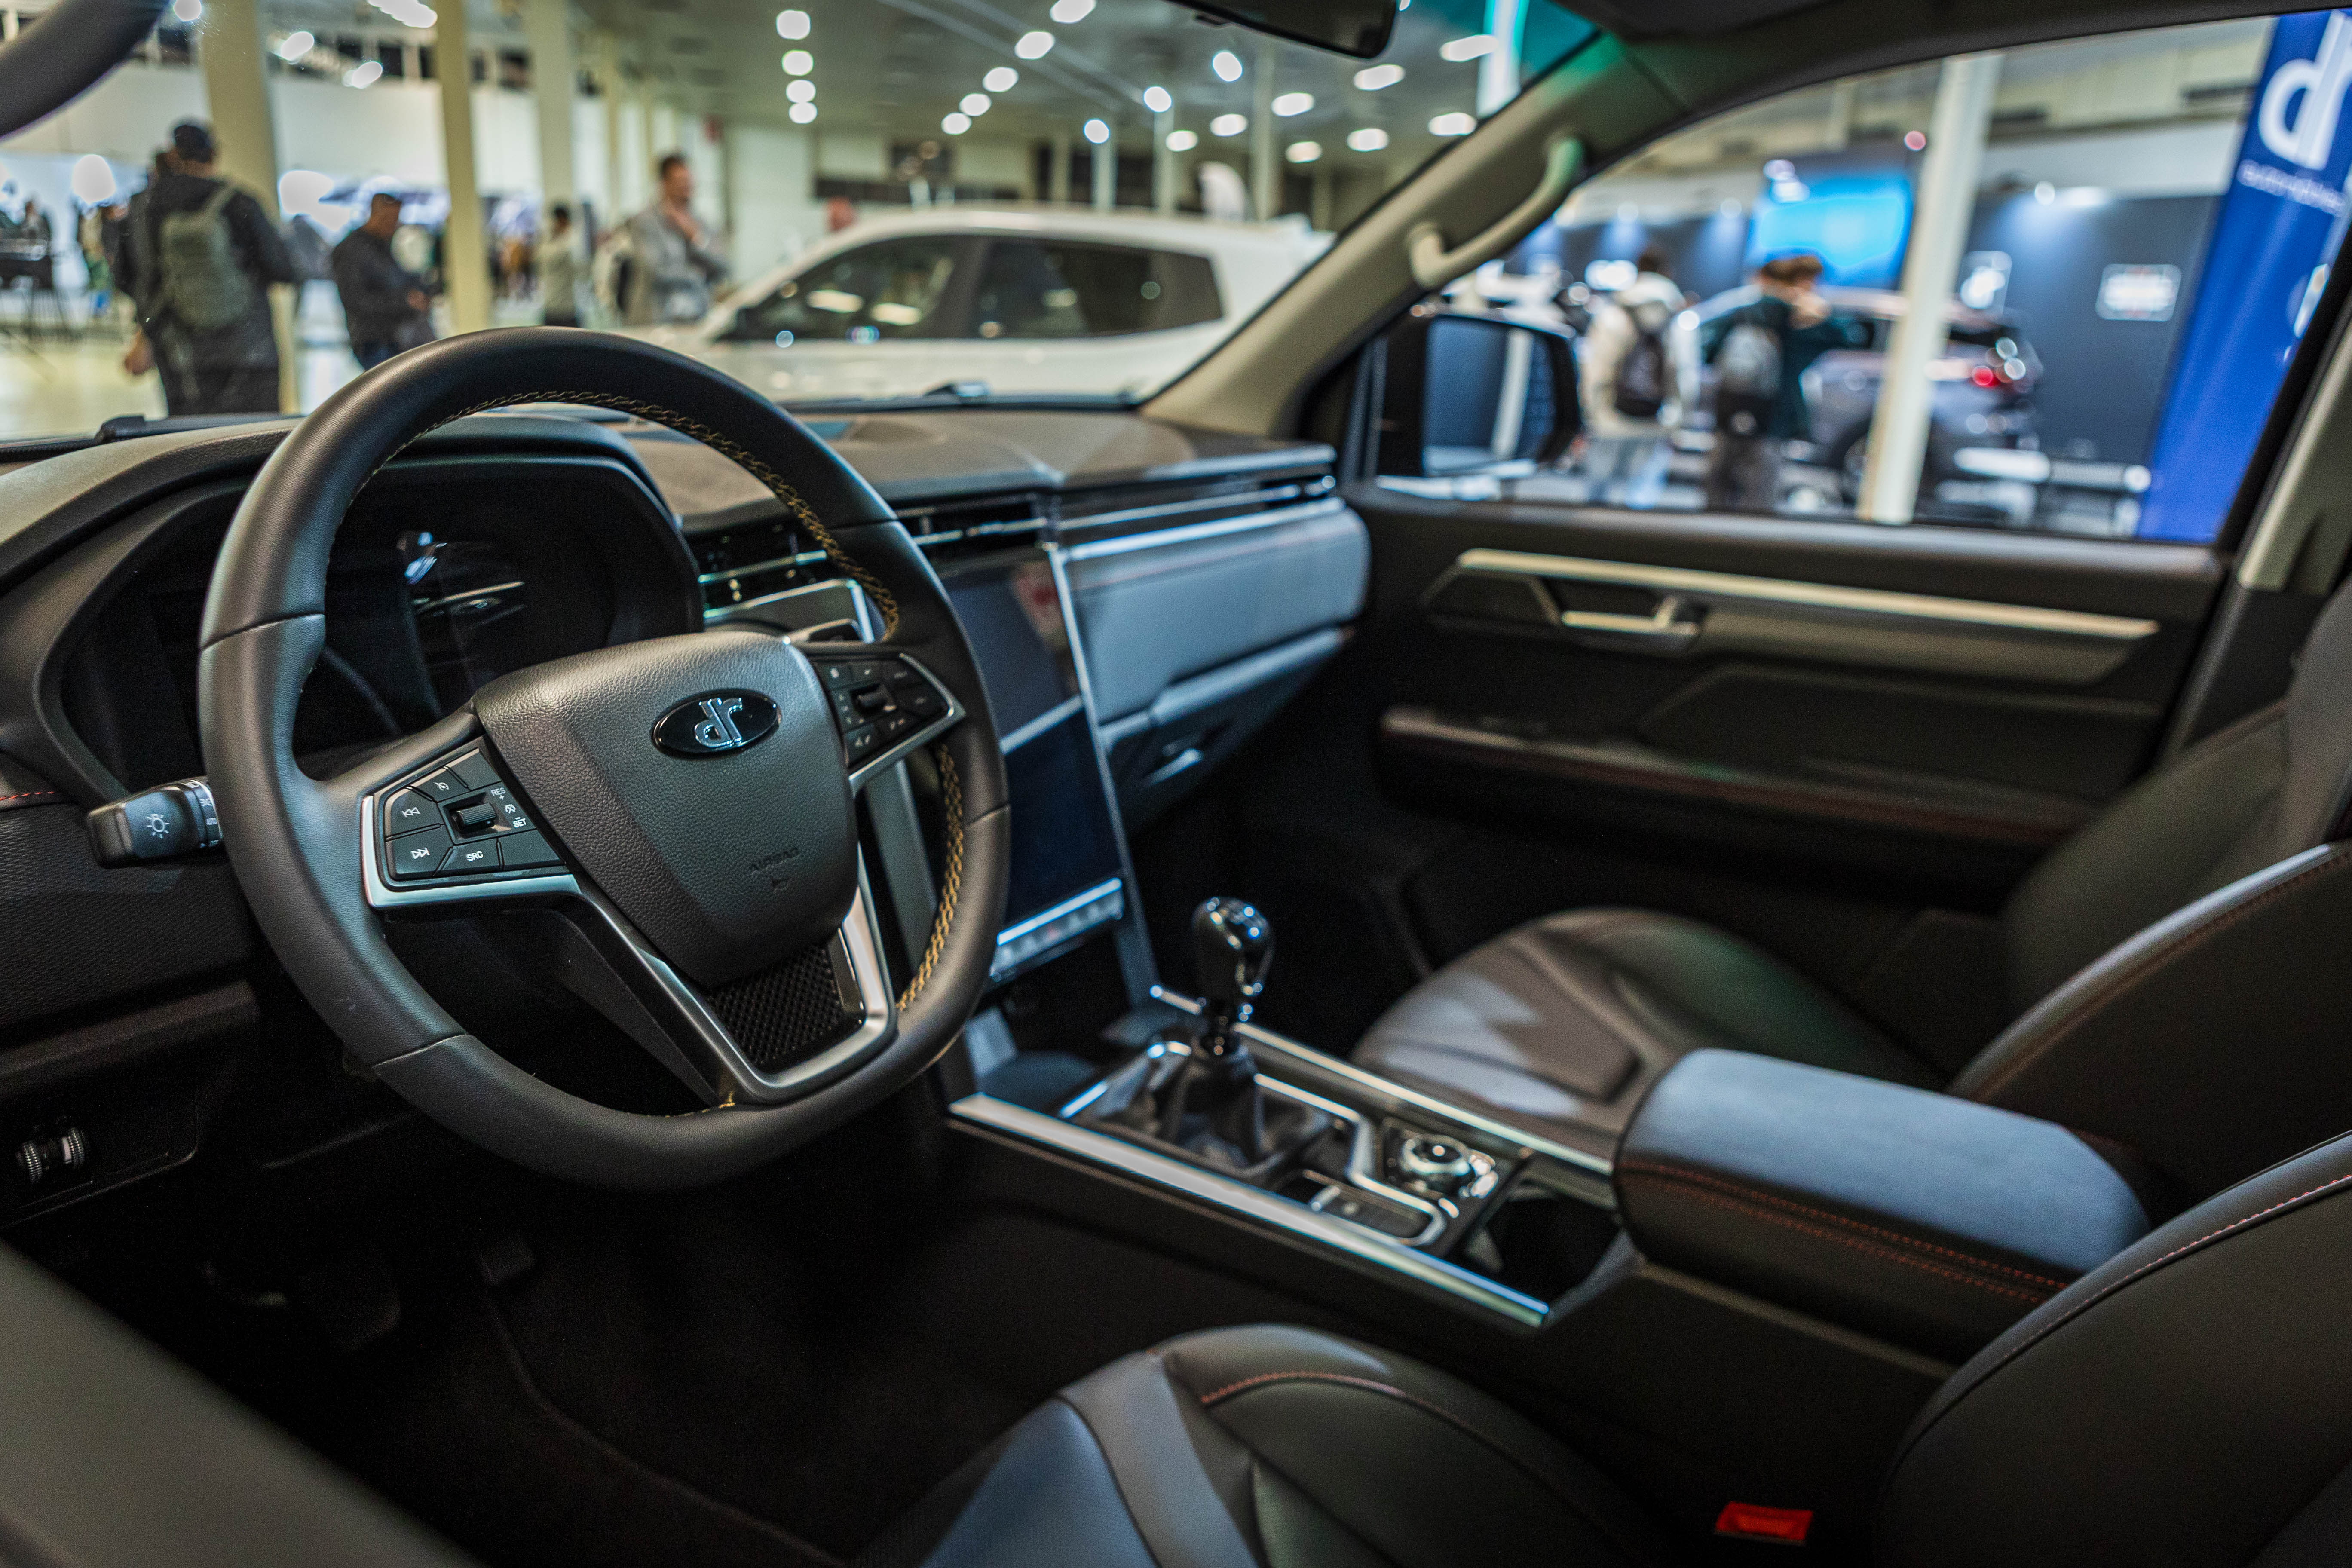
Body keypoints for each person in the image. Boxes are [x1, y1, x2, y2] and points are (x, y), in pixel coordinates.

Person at [114, 121, 295, 416]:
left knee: (194, 437)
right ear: (214, 154)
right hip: (250, 351)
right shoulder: (239, 202)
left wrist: (147, 330)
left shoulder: (143, 207)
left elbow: (126, 278)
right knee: (257, 437)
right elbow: (282, 270)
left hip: (180, 355)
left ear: (173, 154)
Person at [1699, 251, 1867, 513]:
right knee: (1759, 495)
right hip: (1773, 418)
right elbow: (1852, 337)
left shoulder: (1744, 312)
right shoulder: (1798, 319)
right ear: (1802, 282)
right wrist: (1821, 314)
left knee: (1719, 486)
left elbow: (1709, 352)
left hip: (1731, 408)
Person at [1576, 247, 1686, 508]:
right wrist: (1677, 422)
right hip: (1655, 422)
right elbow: (1684, 376)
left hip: (1610, 421)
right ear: (1667, 273)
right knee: (1641, 498)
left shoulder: (1613, 314)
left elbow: (1596, 373)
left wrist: (1590, 416)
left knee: (1597, 496)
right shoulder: (1678, 320)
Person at [620, 152, 725, 326]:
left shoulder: (699, 222)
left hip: (695, 319)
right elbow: (656, 270)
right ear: (664, 183)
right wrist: (699, 275)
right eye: (680, 181)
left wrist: (695, 237)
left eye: (689, 181)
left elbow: (723, 267)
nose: (686, 187)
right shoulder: (644, 222)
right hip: (654, 320)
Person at [331, 191, 432, 370]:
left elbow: (403, 279)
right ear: (375, 213)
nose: (394, 225)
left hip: (399, 337)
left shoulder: (386, 245)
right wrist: (405, 302)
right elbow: (356, 301)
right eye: (390, 219)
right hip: (373, 341)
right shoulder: (351, 250)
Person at [535, 202, 584, 327]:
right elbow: (541, 258)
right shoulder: (548, 242)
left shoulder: (571, 241)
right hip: (550, 307)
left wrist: (563, 234)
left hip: (568, 309)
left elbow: (570, 258)